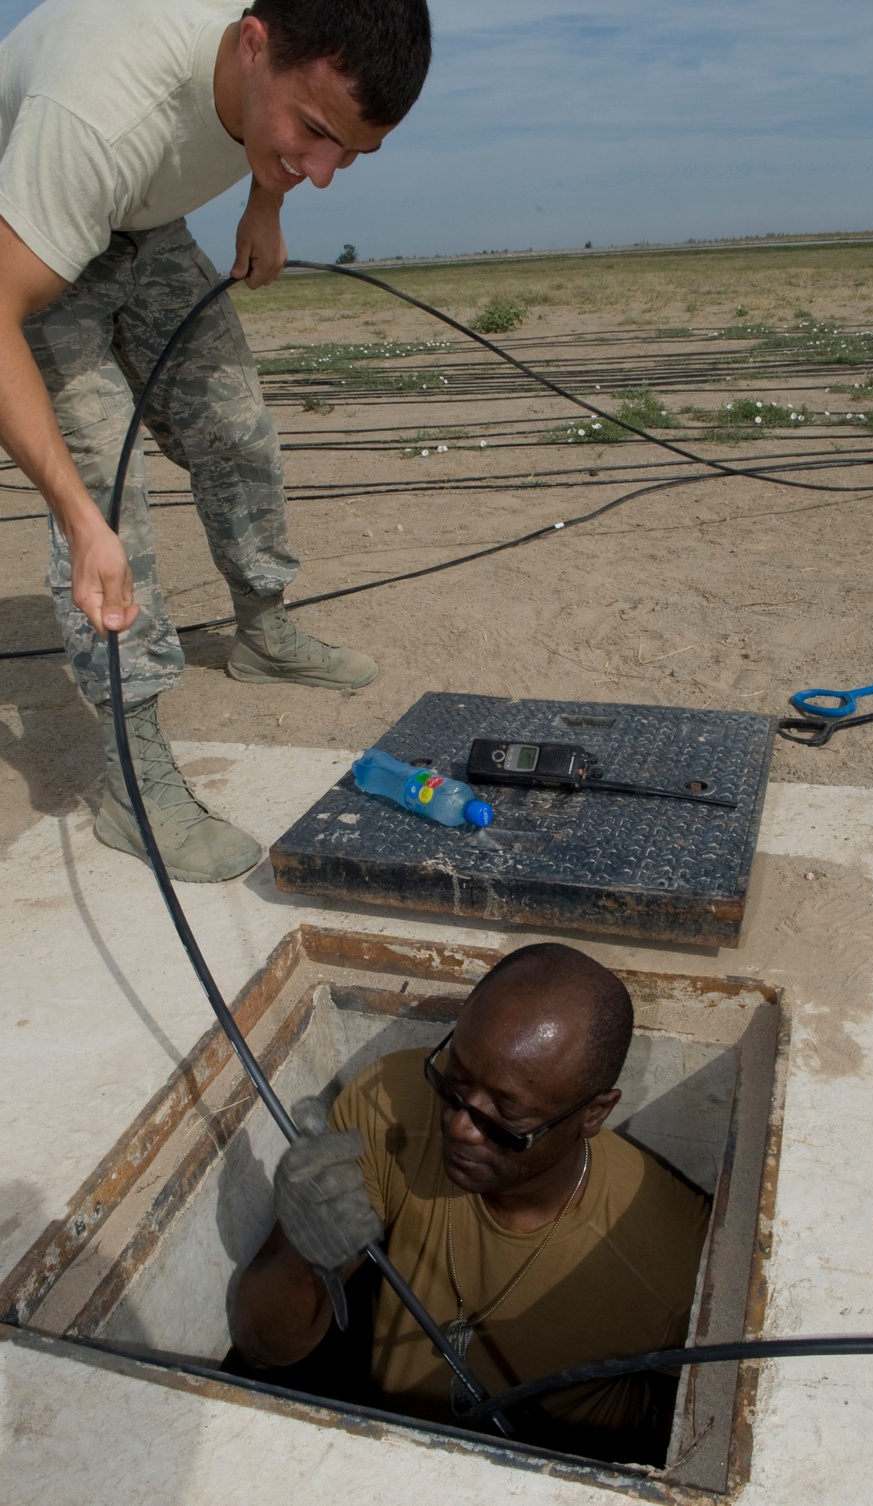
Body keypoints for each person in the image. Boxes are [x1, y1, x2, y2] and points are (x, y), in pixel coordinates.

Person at [0, 0, 432, 881]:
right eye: (312, 133)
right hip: (24, 219)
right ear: (252, 44)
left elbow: (292, 135)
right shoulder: (97, 115)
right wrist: (80, 519)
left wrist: (264, 205)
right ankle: (135, 776)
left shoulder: (277, 51)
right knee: (105, 489)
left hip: (142, 221)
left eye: (348, 151)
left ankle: (264, 632)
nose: (323, 171)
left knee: (233, 422)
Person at [233, 943, 710, 1465]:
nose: (459, 1126)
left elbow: (695, 1447)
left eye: (505, 1115)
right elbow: (263, 1350)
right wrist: (307, 1254)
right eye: (455, 1082)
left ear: (592, 1114)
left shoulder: (676, 1259)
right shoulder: (389, 1110)